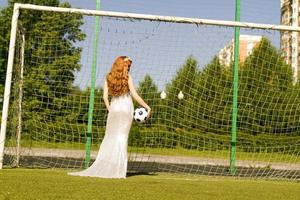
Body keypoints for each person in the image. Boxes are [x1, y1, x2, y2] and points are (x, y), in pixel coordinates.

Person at [68, 56, 151, 179]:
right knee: (122, 138)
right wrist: (147, 107)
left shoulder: (108, 78)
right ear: (122, 65)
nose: (128, 67)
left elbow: (105, 97)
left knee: (110, 137)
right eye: (127, 65)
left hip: (114, 108)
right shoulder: (128, 77)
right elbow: (134, 95)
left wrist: (110, 109)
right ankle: (119, 170)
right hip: (126, 107)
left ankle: (108, 167)